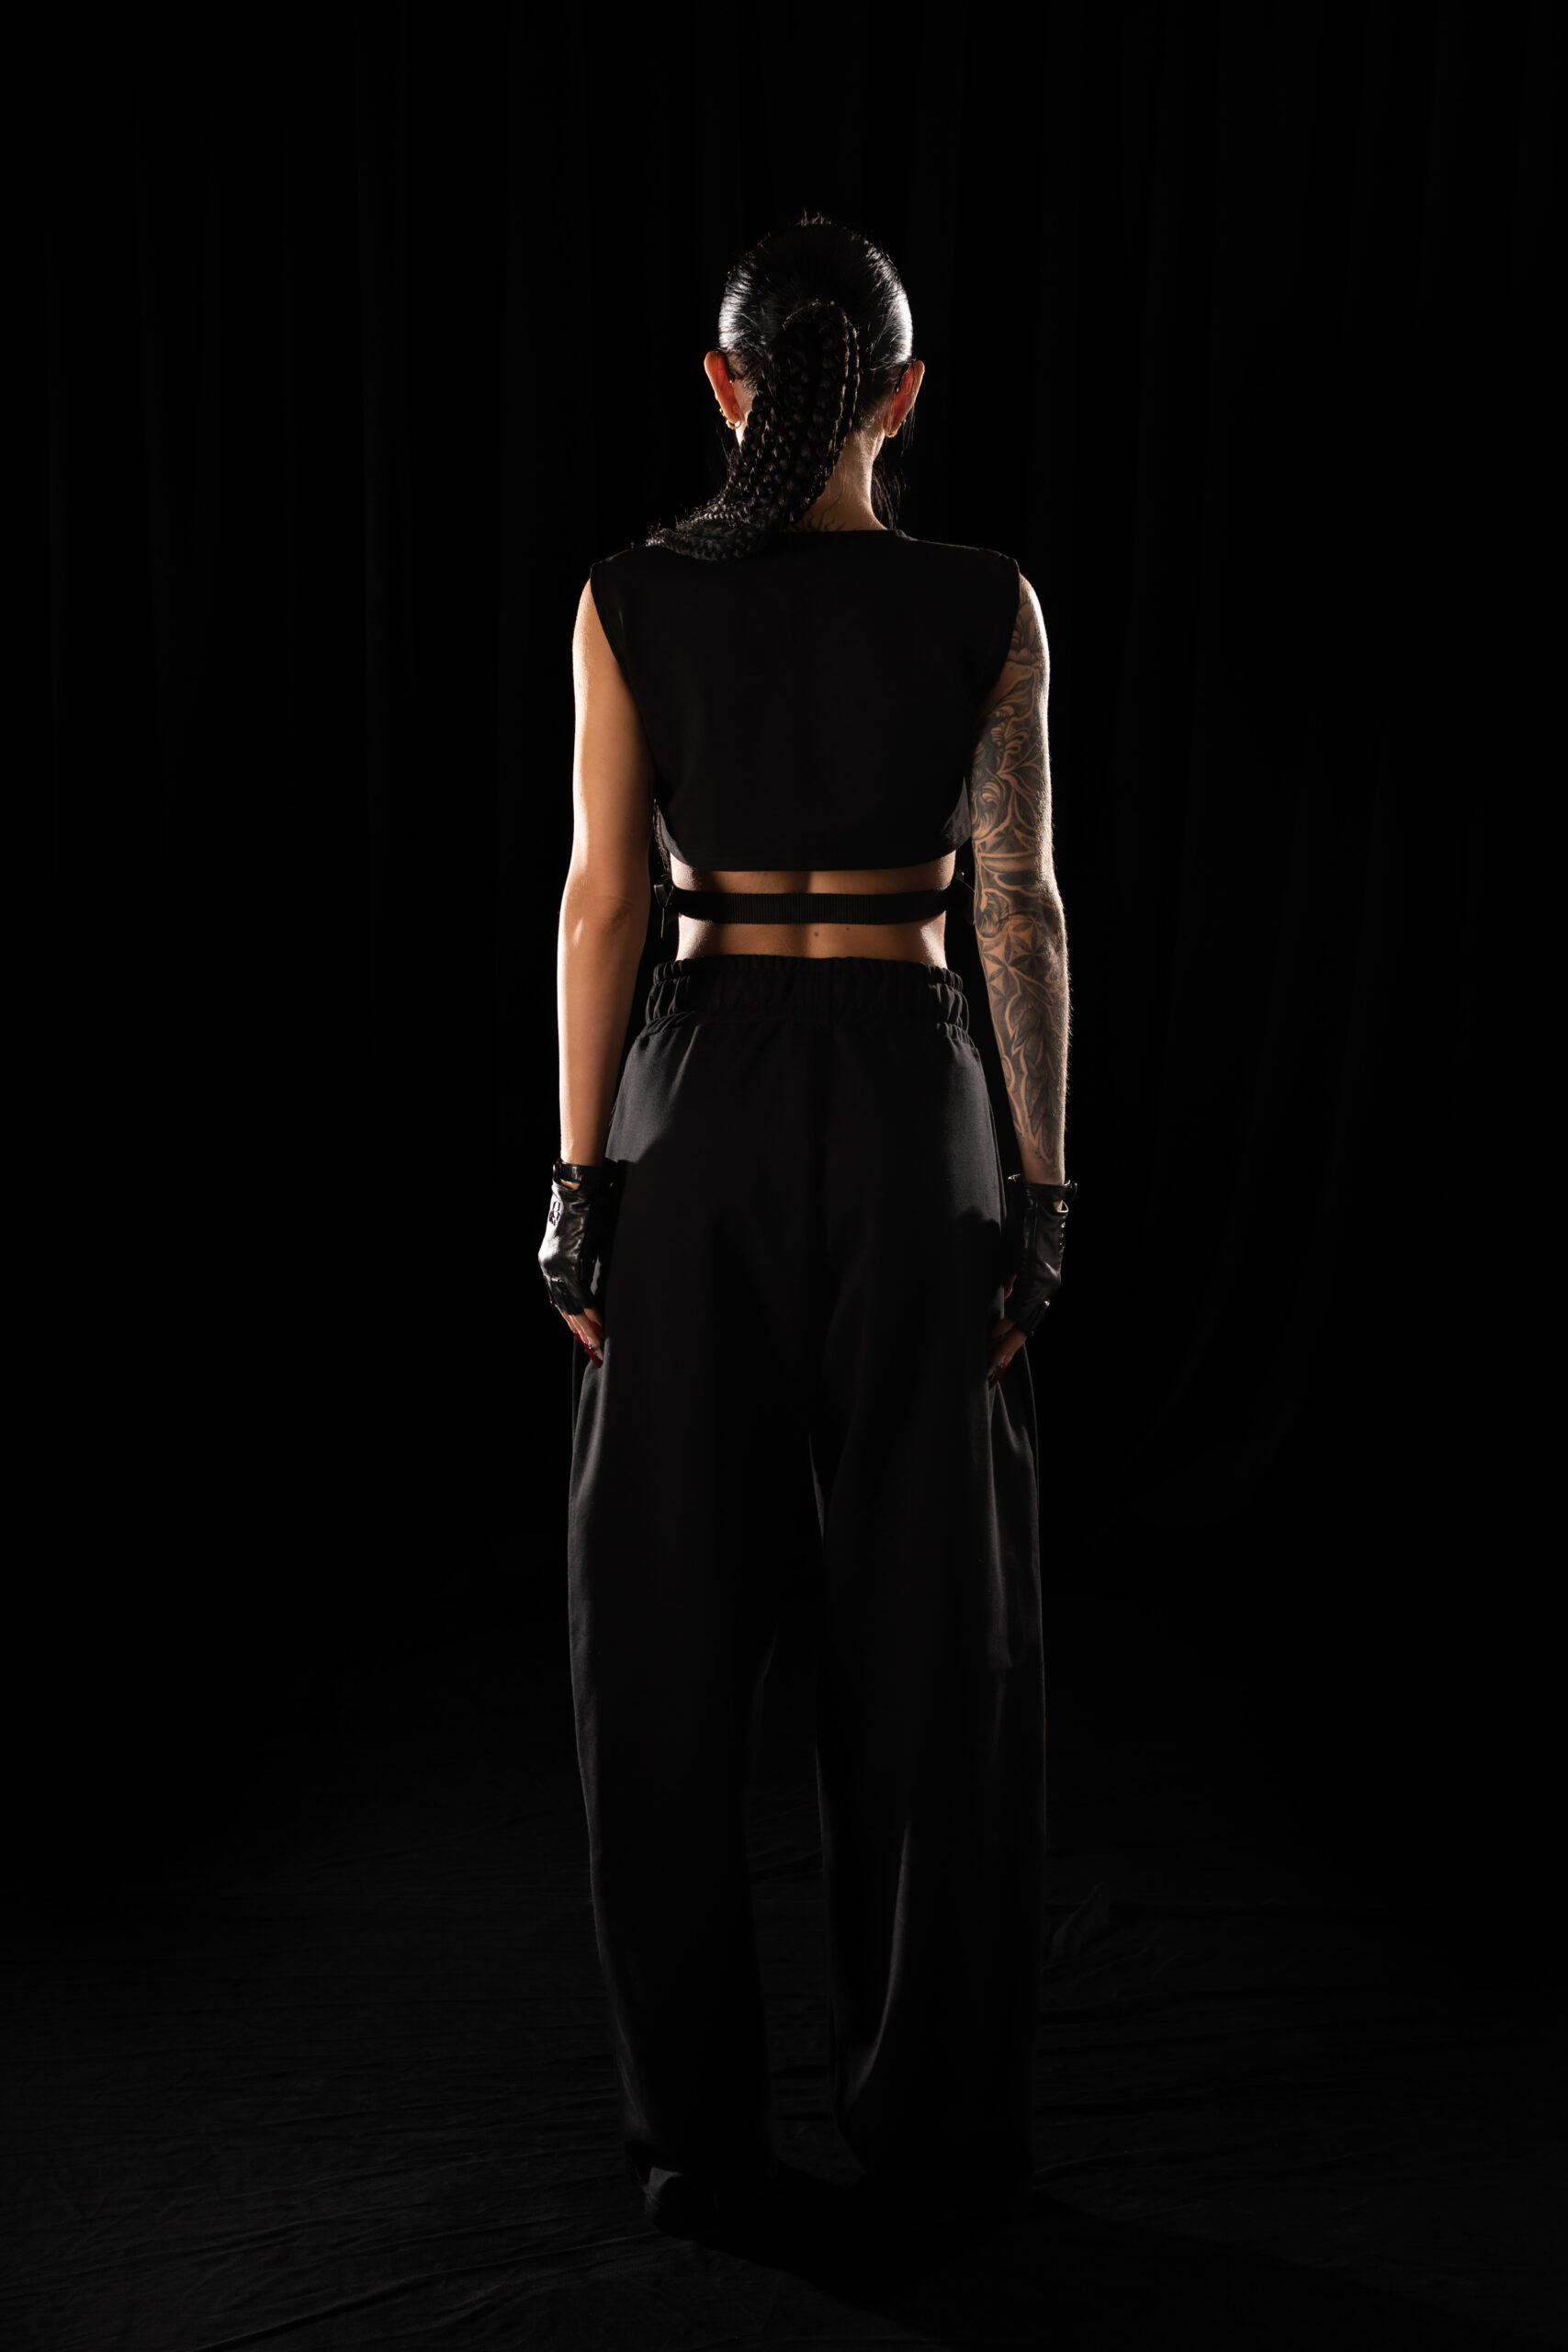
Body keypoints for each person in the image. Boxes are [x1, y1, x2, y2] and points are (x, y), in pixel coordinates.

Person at [538, 214, 1076, 2246]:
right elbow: (1017, 908)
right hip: (920, 1104)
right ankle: (931, 2130)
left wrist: (576, 1188)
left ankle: (697, 2140)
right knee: (939, 1635)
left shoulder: (627, 598)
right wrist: (1040, 1191)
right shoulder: (987, 600)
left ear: (725, 383)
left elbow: (602, 904)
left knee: (661, 1634)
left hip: (695, 1108)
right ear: (904, 396)